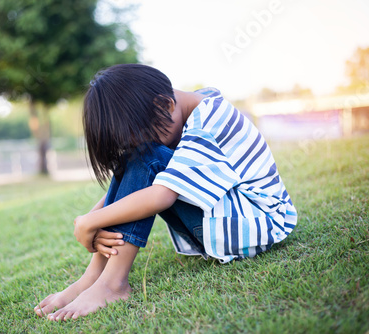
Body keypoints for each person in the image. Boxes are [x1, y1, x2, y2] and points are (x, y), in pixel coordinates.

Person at [34, 64, 297, 321]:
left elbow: (161, 195)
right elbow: (144, 182)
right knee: (139, 158)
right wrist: (91, 217)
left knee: (146, 157)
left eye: (142, 135)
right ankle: (93, 278)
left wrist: (90, 222)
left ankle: (113, 284)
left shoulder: (206, 122)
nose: (139, 144)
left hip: (254, 225)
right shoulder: (195, 104)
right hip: (238, 218)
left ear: (166, 105)